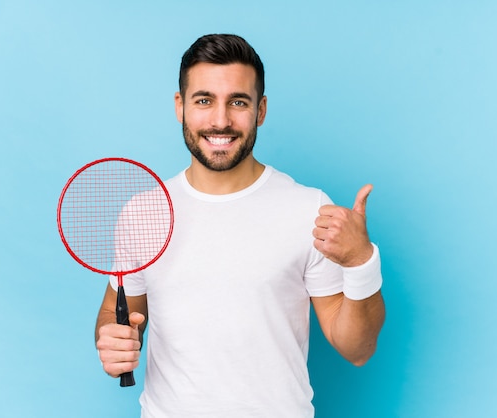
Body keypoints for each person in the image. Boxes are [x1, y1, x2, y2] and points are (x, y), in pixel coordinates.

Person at [95, 33, 385, 418]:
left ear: (260, 110)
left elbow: (358, 349)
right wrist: (112, 342)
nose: (220, 120)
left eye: (238, 102)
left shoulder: (309, 209)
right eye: (204, 100)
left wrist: (362, 262)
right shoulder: (143, 212)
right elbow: (118, 314)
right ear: (180, 106)